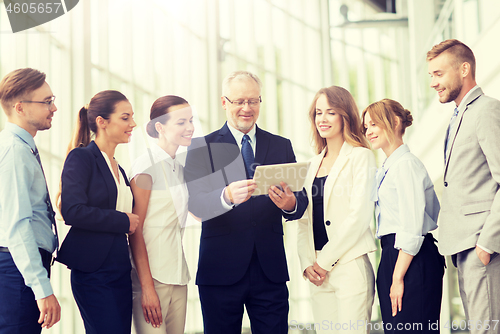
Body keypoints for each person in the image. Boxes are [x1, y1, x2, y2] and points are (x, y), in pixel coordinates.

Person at [184, 70, 307, 334]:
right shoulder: (200, 148)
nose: (246, 108)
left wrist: (289, 204)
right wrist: (225, 197)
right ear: (224, 102)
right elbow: (194, 204)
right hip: (220, 271)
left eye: (253, 101)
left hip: (269, 271)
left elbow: (301, 199)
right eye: (239, 101)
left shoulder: (280, 145)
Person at [284, 86, 377, 333]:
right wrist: (307, 263)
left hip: (349, 264)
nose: (322, 119)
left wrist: (323, 261)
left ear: (344, 115)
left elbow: (358, 218)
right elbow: (303, 219)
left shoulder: (361, 157)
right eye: (318, 112)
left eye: (331, 112)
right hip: (317, 271)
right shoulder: (312, 164)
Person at [427, 39, 500, 332]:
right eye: (431, 75)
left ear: (464, 69)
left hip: (481, 244)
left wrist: (486, 244)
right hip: (464, 247)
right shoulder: (458, 116)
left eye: (439, 74)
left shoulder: (486, 111)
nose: (433, 83)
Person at [56, 90, 139, 334]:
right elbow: (72, 210)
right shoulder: (81, 157)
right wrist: (123, 220)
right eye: (125, 118)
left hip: (120, 269)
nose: (132, 123)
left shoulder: (119, 169)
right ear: (102, 122)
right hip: (94, 271)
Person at [362, 99, 445, 333]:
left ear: (395, 122)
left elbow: (411, 226)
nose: (368, 131)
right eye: (366, 126)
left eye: (374, 124)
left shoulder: (406, 165)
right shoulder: (388, 167)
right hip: (393, 255)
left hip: (410, 257)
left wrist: (397, 277)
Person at [0, 68, 61, 333]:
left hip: (18, 266)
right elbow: (17, 224)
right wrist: (42, 289)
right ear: (20, 108)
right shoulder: (15, 150)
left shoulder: (21, 147)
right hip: (16, 268)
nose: (54, 107)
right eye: (46, 101)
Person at [128, 95, 194, 334]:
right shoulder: (146, 166)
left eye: (191, 120)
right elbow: (135, 229)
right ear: (160, 127)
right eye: (181, 122)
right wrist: (147, 287)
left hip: (178, 276)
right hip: (151, 279)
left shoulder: (179, 167)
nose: (190, 127)